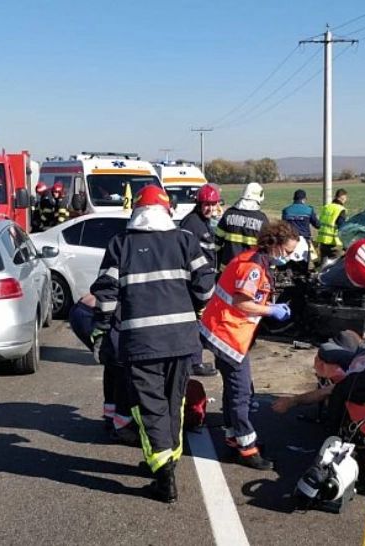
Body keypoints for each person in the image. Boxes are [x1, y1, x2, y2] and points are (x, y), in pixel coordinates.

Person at [91, 185, 215, 503]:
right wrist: (193, 303)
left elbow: (106, 296)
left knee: (150, 409)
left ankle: (163, 476)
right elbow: (205, 285)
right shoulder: (185, 240)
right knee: (174, 403)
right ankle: (167, 461)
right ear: (166, 212)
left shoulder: (121, 245)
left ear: (137, 212)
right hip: (182, 341)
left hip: (141, 344)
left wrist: (100, 332)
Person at [199, 221, 299, 470]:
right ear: (274, 244)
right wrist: (270, 310)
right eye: (287, 252)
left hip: (225, 332)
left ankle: (234, 438)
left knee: (235, 390)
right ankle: (247, 448)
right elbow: (242, 303)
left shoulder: (255, 260)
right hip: (228, 334)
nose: (289, 257)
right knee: (242, 392)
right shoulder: (253, 268)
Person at [68, 293, 135, 442]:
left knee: (113, 365)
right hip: (90, 315)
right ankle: (122, 427)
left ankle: (111, 417)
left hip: (82, 312)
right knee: (121, 367)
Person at [179, 183, 222, 377]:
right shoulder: (191, 224)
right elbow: (187, 255)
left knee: (200, 321)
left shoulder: (205, 222)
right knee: (196, 321)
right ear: (198, 203)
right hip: (195, 282)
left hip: (205, 279)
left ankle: (193, 358)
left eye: (213, 204)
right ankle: (194, 362)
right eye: (207, 204)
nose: (211, 208)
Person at [214, 182, 268, 270]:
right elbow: (267, 249)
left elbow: (216, 243)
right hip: (250, 271)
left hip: (228, 269)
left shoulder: (229, 214)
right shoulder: (262, 219)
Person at [315, 188, 348, 263]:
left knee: (323, 265)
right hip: (334, 243)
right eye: (345, 198)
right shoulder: (341, 209)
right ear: (342, 197)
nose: (346, 200)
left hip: (323, 241)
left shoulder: (326, 207)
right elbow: (342, 227)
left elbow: (320, 222)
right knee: (334, 267)